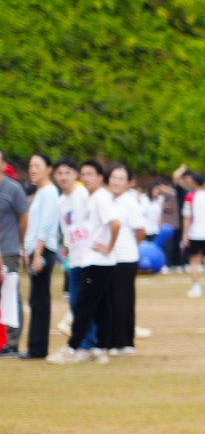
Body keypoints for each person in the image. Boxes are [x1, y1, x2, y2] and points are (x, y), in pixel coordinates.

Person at [48, 159, 114, 365]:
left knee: (85, 304)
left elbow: (105, 222)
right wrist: (67, 250)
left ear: (76, 175)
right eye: (59, 173)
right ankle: (92, 345)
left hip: (91, 258)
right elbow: (67, 230)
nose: (63, 177)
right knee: (78, 303)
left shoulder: (86, 194)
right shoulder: (60, 202)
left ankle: (84, 346)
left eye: (68, 172)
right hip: (75, 258)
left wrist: (107, 246)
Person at [22, 152, 60, 359]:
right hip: (35, 249)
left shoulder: (49, 192)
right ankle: (35, 346)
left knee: (40, 300)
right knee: (36, 299)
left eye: (37, 166)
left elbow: (45, 224)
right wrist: (27, 250)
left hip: (43, 250)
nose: (33, 170)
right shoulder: (40, 192)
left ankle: (38, 349)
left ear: (49, 169)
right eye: (31, 166)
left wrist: (37, 253)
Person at [105, 163, 143, 355]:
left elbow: (141, 230)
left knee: (123, 301)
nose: (116, 182)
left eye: (121, 179)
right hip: (108, 258)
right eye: (114, 177)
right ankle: (111, 341)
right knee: (110, 300)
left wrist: (131, 246)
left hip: (126, 258)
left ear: (128, 183)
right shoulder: (104, 200)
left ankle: (125, 342)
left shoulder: (130, 202)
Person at [0, 151, 30, 357]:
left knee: (11, 295)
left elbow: (24, 218)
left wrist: (18, 242)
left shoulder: (13, 189)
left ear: (4, 165)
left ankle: (12, 342)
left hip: (8, 250)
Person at [182, 172, 205, 298]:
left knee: (194, 262)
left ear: (194, 183)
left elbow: (187, 217)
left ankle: (196, 288)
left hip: (195, 233)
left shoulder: (190, 196)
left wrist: (185, 234)